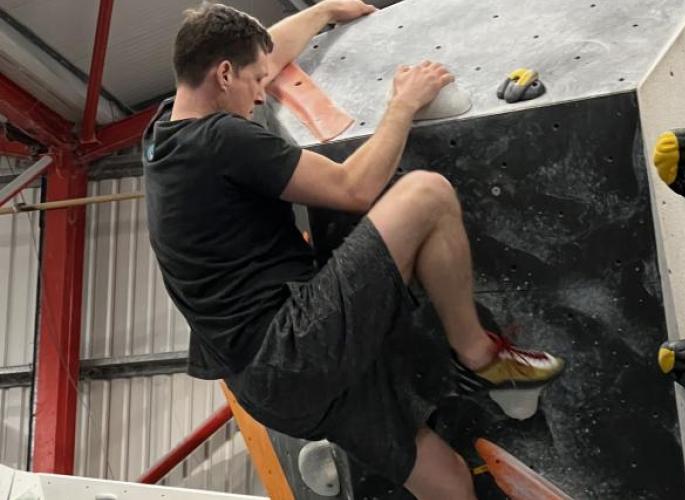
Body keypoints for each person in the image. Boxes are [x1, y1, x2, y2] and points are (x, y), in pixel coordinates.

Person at [142, 1, 565, 498]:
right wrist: (403, 104)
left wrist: (323, 12)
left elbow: (266, 55)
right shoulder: (221, 138)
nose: (262, 95)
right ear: (224, 73)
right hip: (294, 347)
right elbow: (353, 188)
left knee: (448, 481)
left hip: (267, 387)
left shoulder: (163, 134)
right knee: (426, 194)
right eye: (256, 82)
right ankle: (482, 358)